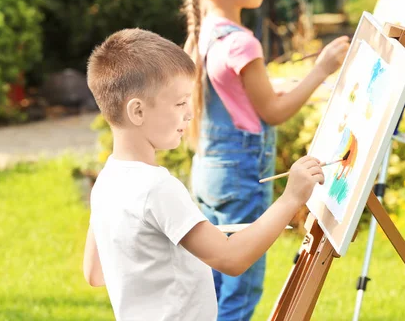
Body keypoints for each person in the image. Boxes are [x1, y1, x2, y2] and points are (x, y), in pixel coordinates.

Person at [82, 28, 325, 321]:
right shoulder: (157, 188)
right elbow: (231, 258)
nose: (190, 113)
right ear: (137, 112)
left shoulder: (107, 181)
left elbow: (95, 273)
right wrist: (291, 198)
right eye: (180, 102)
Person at [183, 0, 349, 320]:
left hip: (210, 174)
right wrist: (321, 69)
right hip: (242, 179)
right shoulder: (241, 42)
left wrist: (280, 86)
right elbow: (273, 113)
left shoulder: (205, 31)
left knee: (214, 288)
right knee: (239, 294)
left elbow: (236, 95)